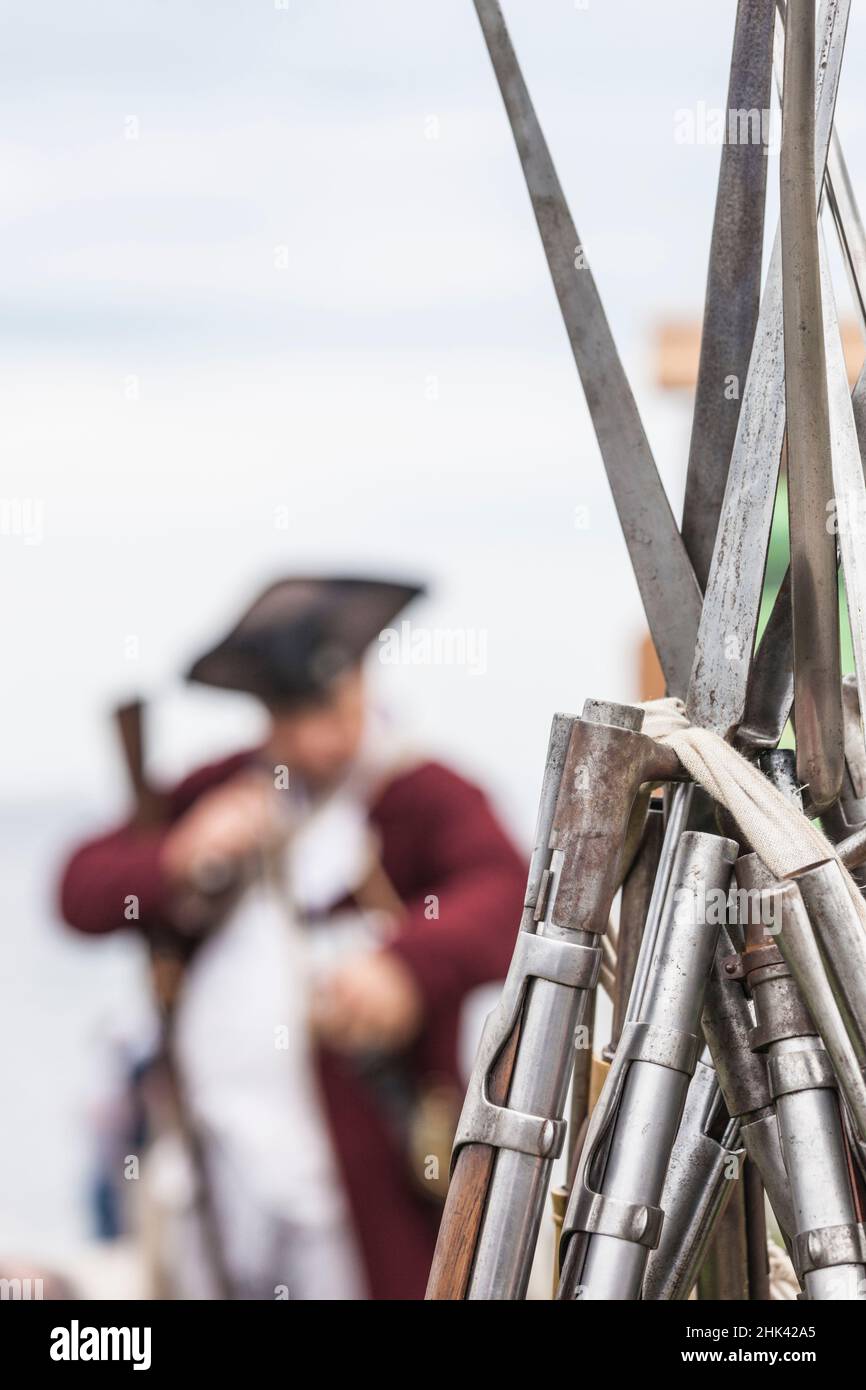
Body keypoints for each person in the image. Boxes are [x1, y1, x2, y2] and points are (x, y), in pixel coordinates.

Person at [59, 576, 526, 1300]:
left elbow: (510, 895)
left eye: (332, 706)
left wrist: (404, 968)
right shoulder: (222, 789)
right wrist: (179, 855)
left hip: (361, 1188)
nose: (319, 736)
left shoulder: (421, 794)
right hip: (219, 1172)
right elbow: (80, 891)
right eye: (295, 713)